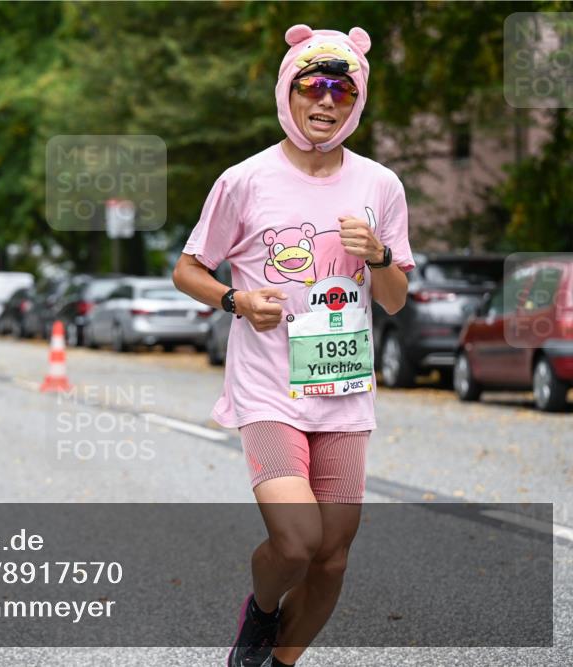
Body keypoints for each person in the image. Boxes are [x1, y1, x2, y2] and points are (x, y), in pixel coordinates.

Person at [172, 25, 413, 667]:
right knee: (298, 540)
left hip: (342, 387)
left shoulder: (381, 186)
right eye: (312, 85)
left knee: (333, 556)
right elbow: (188, 268)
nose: (326, 100)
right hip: (268, 388)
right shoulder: (245, 180)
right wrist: (236, 300)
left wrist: (381, 255)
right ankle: (262, 611)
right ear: (289, 91)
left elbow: (394, 297)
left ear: (355, 100)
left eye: (342, 88)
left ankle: (279, 662)